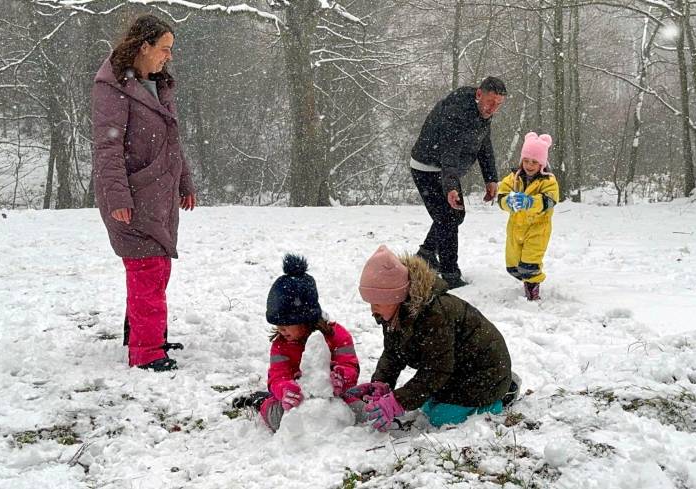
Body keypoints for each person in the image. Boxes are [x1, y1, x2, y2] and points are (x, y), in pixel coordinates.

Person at [92, 14, 196, 371]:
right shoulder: (112, 87)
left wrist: (185, 181)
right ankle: (146, 352)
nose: (168, 56)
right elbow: (107, 149)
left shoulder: (159, 84)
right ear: (144, 46)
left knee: (156, 269)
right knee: (146, 271)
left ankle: (143, 334)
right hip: (133, 197)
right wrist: (118, 197)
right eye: (164, 49)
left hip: (159, 196)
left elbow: (171, 141)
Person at [351, 245, 518, 430]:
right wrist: (382, 383)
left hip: (483, 373)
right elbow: (393, 353)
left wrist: (398, 401)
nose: (373, 309)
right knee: (426, 405)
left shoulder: (434, 316)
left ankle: (502, 395)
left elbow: (436, 370)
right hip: (456, 371)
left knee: (440, 418)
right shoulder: (394, 314)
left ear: (395, 297)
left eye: (377, 302)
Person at [232, 254, 361, 432]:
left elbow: (350, 366)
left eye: (286, 324)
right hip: (297, 402)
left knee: (357, 412)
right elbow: (278, 376)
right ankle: (260, 401)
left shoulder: (337, 335)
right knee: (278, 418)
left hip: (333, 398)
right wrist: (285, 390)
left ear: (306, 320)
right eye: (278, 325)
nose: (281, 330)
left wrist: (341, 378)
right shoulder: (281, 345)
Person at [409, 77, 507, 289]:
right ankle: (450, 274)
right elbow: (450, 153)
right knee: (448, 219)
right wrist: (451, 187)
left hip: (445, 170)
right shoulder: (457, 112)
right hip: (427, 167)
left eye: (499, 104)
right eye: (491, 102)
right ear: (479, 94)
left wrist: (490, 178)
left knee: (454, 215)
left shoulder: (481, 111)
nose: (493, 108)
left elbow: (484, 143)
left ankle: (426, 253)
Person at [497, 132, 560, 301]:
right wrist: (507, 202)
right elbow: (501, 195)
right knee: (513, 266)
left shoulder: (548, 181)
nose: (529, 165)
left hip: (538, 229)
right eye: (526, 160)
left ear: (542, 163)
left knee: (529, 265)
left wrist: (530, 202)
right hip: (515, 229)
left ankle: (533, 291)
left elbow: (550, 200)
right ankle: (525, 279)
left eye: (534, 162)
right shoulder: (513, 178)